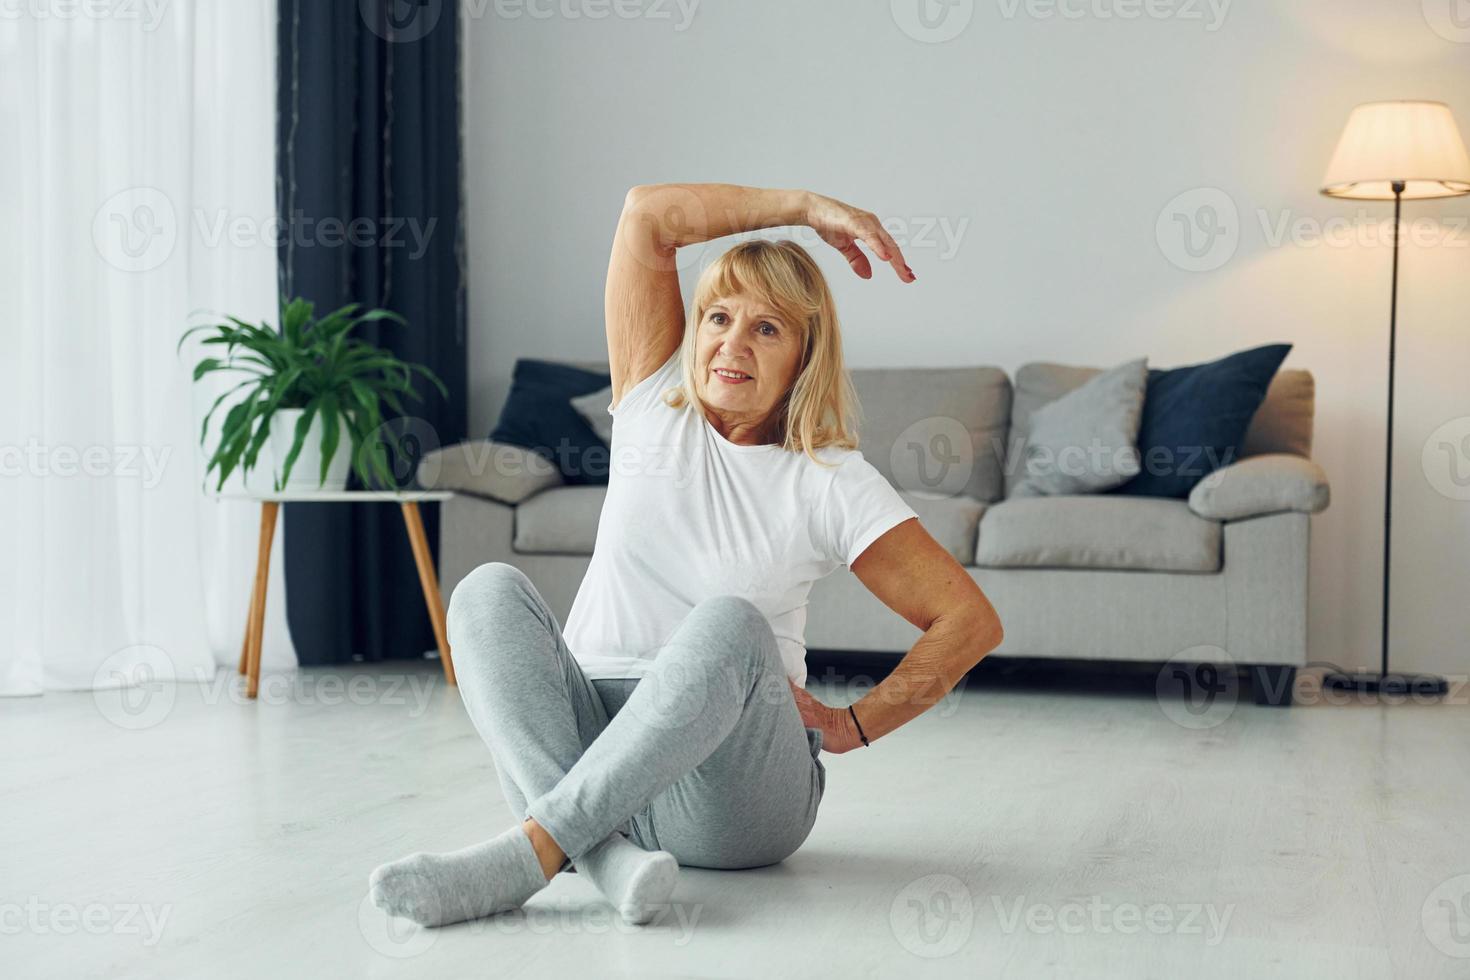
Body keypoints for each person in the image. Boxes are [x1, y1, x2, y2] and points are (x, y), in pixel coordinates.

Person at [368, 183, 1004, 928]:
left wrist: (849, 725)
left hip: (729, 797)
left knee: (731, 624)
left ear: (804, 357)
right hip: (584, 753)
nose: (731, 343)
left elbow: (969, 620)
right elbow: (646, 216)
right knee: (484, 593)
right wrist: (803, 209)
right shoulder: (649, 397)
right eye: (718, 317)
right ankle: (600, 857)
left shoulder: (830, 477)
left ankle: (530, 855)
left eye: (767, 329)